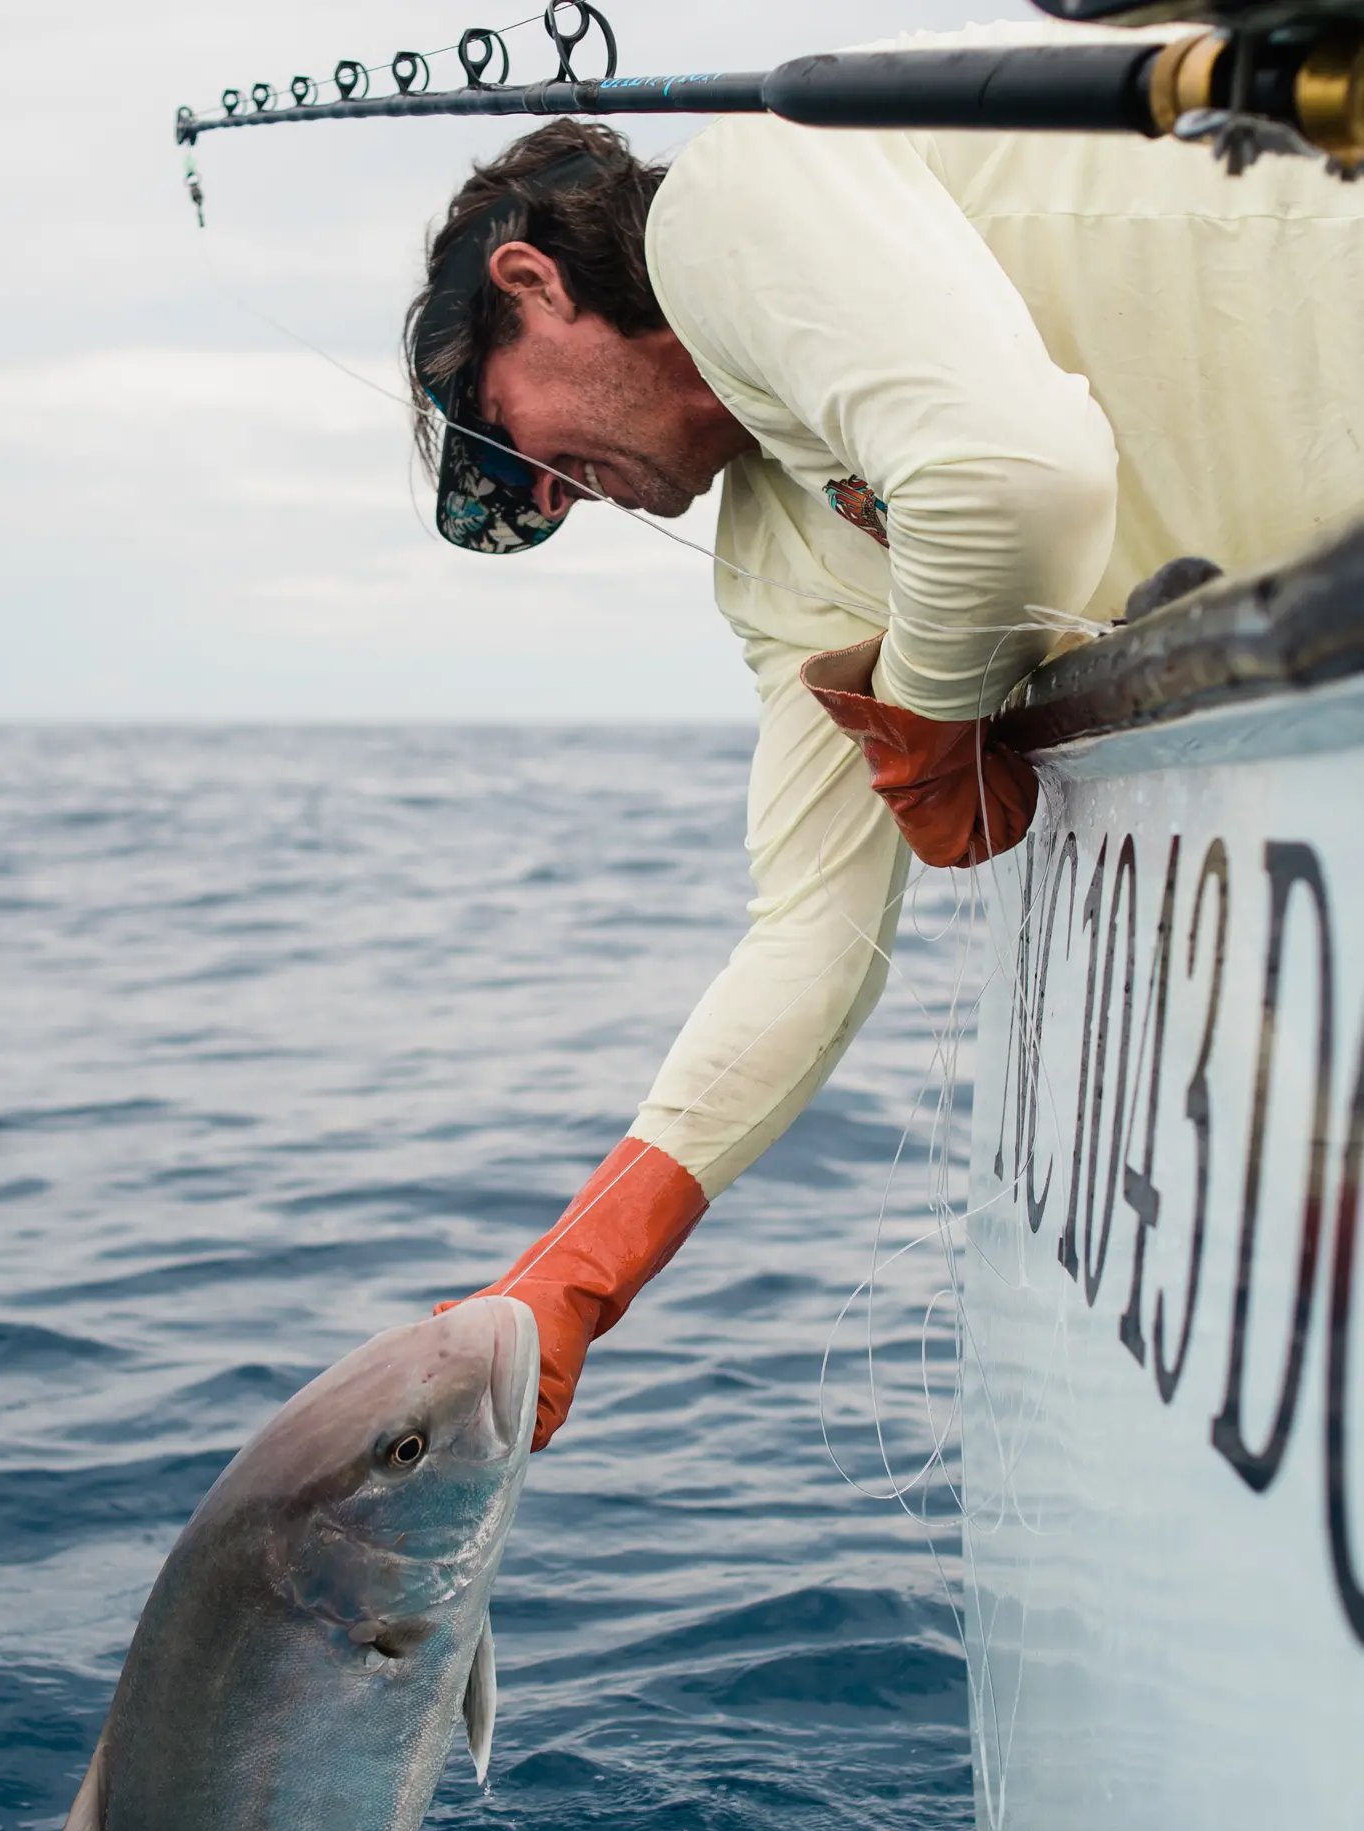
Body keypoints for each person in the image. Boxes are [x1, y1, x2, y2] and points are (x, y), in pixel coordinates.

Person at [403, 25, 1364, 1450]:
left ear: (532, 283)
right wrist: (577, 1277)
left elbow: (1012, 484)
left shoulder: (735, 202)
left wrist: (922, 717)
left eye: (509, 445)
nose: (559, 502)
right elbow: (810, 931)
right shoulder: (775, 565)